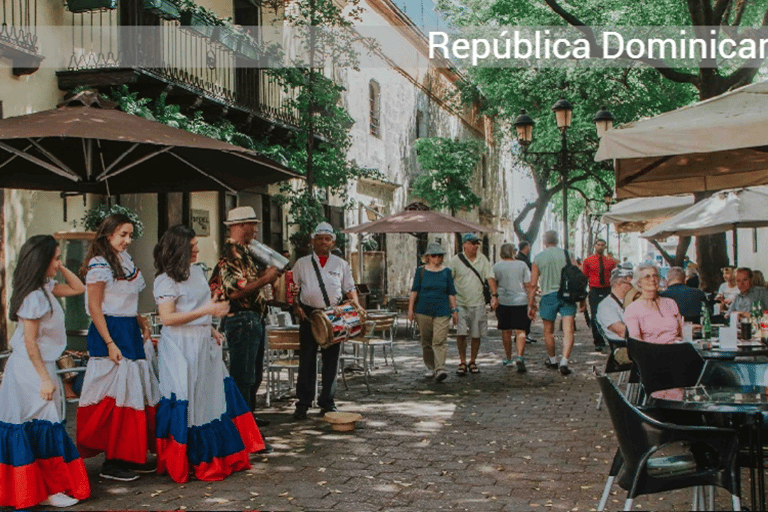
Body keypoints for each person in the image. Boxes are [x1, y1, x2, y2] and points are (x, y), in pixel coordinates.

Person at [153, 225, 265, 483]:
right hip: (181, 347)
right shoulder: (165, 280)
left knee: (206, 400)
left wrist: (211, 327)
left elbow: (200, 307)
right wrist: (208, 314)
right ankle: (188, 458)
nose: (196, 250)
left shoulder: (196, 272)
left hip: (202, 344)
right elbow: (168, 318)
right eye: (191, 247)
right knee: (188, 399)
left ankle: (211, 455)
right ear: (178, 250)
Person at [0, 235, 89, 509]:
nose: (58, 263)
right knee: (42, 423)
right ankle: (47, 489)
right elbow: (29, 343)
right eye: (55, 258)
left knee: (42, 425)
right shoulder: (33, 298)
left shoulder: (46, 289)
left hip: (38, 365)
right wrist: (44, 379)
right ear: (41, 262)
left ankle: (44, 487)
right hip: (31, 369)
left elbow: (78, 287)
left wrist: (60, 267)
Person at [76, 213, 159, 482]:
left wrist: (140, 321)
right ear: (108, 233)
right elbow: (95, 307)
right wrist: (110, 342)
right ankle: (111, 461)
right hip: (109, 332)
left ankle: (126, 456)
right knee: (113, 396)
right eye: (122, 234)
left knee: (131, 394)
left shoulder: (125, 261)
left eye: (130, 234)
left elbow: (125, 301)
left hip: (128, 329)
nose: (127, 240)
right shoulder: (99, 264)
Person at [209, 206, 279, 427]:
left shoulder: (246, 253)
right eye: (252, 224)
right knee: (244, 376)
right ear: (239, 226)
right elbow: (234, 291)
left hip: (251, 319)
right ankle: (242, 427)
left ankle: (247, 417)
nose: (256, 228)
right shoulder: (232, 255)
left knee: (253, 375)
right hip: (242, 319)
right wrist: (264, 280)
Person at [292, 222, 361, 420]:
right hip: (309, 316)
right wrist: (296, 308)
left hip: (334, 316)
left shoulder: (341, 264)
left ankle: (327, 401)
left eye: (327, 239)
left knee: (332, 360)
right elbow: (292, 290)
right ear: (312, 241)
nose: (324, 242)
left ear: (332, 242)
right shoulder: (301, 264)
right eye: (320, 238)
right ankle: (303, 403)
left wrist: (356, 308)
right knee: (307, 360)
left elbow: (350, 288)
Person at [407, 242, 458, 382]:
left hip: (442, 311)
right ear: (428, 257)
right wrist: (410, 309)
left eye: (440, 255)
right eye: (434, 255)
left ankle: (440, 368)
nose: (437, 258)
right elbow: (414, 291)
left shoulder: (446, 272)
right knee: (426, 340)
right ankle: (431, 366)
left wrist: (454, 311)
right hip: (423, 310)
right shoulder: (421, 271)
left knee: (439, 340)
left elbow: (451, 293)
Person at [448, 233, 498, 375]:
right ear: (465, 244)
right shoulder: (455, 261)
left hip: (478, 303)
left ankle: (473, 361)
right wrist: (452, 305)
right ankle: (462, 362)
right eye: (473, 243)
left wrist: (494, 295)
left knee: (476, 335)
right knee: (461, 333)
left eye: (477, 243)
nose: (476, 246)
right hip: (461, 303)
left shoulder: (483, 259)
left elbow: (490, 278)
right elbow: (449, 282)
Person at [528, 230, 577, 375]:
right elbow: (577, 275)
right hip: (567, 295)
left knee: (548, 331)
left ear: (544, 241)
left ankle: (553, 359)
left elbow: (533, 284)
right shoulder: (568, 254)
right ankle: (564, 361)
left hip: (548, 296)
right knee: (568, 330)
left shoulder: (538, 258)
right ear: (558, 240)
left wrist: (531, 304)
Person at [493, 243, 532, 373]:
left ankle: (508, 358)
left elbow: (494, 284)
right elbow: (528, 284)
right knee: (520, 331)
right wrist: (532, 302)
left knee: (506, 331)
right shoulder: (522, 265)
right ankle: (520, 356)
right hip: (520, 301)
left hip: (503, 301)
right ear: (513, 252)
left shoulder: (496, 266)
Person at [624, 264, 683, 344]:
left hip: (677, 348)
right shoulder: (632, 309)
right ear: (639, 282)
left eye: (655, 276)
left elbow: (682, 332)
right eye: (647, 277)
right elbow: (636, 341)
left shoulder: (670, 302)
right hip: (652, 352)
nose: (652, 279)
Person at [581, 238, 616, 352]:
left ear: (605, 247)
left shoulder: (610, 262)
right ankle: (598, 341)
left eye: (602, 245)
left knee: (609, 315)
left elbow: (614, 277)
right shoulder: (588, 261)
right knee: (595, 315)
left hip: (607, 290)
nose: (600, 247)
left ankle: (610, 338)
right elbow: (584, 278)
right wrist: (582, 293)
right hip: (594, 290)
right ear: (595, 246)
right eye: (598, 245)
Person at [596, 266, 634, 343]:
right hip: (624, 347)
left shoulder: (630, 300)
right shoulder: (606, 306)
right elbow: (622, 332)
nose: (634, 287)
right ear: (618, 283)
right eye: (631, 284)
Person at [516, 240, 536, 344]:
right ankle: (523, 334)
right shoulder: (522, 259)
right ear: (525, 247)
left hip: (523, 287)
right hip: (524, 288)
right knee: (527, 312)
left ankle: (524, 334)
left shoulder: (521, 258)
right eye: (528, 246)